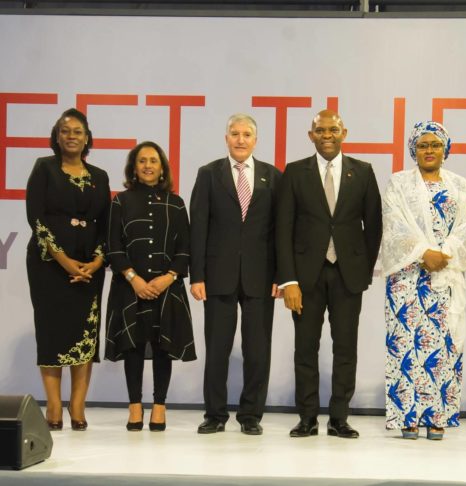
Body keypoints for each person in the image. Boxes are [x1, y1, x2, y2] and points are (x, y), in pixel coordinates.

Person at [277, 109, 382, 439]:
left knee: (346, 349)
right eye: (320, 130)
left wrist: (362, 270)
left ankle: (339, 418)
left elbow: (374, 226)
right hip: (305, 278)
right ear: (311, 135)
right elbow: (283, 229)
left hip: (348, 276)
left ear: (343, 133)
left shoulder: (362, 172)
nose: (327, 135)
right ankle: (307, 417)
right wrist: (288, 280)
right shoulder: (295, 172)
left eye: (333, 130)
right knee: (305, 349)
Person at [190, 114, 282, 435]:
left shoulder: (273, 176)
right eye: (234, 133)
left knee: (257, 351)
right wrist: (196, 275)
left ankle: (251, 415)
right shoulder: (208, 174)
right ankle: (215, 414)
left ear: (255, 140)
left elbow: (280, 230)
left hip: (261, 277)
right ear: (226, 138)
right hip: (218, 275)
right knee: (217, 349)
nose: (240, 139)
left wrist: (281, 275)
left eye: (246, 134)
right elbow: (198, 226)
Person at [381, 121, 466, 440]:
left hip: (445, 274)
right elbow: (394, 224)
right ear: (413, 150)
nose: (429, 150)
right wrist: (423, 253)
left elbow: (465, 227)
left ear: (445, 149)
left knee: (442, 346)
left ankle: (438, 416)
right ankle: (407, 416)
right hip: (406, 277)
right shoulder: (398, 183)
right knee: (406, 344)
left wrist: (443, 253)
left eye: (435, 145)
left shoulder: (459, 185)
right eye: (423, 145)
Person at [25, 108, 111, 431]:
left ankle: (77, 405)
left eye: (77, 131)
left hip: (89, 267)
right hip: (49, 265)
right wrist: (63, 260)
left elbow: (106, 225)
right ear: (57, 136)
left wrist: (97, 261)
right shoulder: (44, 168)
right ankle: (53, 405)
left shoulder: (100, 176)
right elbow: (36, 218)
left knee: (84, 333)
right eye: (65, 131)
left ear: (87, 138)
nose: (71, 136)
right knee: (51, 331)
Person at [104, 141, 196, 431]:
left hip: (167, 288)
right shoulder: (121, 201)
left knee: (162, 346)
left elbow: (185, 248)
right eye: (142, 161)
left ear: (162, 167)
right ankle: (134, 406)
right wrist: (134, 278)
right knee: (132, 346)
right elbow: (113, 246)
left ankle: (159, 406)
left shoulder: (176, 203)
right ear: (134, 167)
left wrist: (169, 277)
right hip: (129, 287)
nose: (147, 166)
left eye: (153, 161)